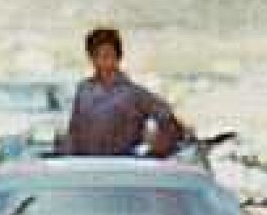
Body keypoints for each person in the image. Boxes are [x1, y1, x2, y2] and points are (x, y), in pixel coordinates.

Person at [61, 27, 186, 157]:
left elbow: (171, 125)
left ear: (118, 56)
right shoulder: (84, 90)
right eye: (97, 55)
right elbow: (73, 131)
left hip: (125, 167)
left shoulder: (134, 94)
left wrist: (155, 153)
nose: (103, 62)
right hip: (85, 166)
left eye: (108, 55)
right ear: (91, 58)